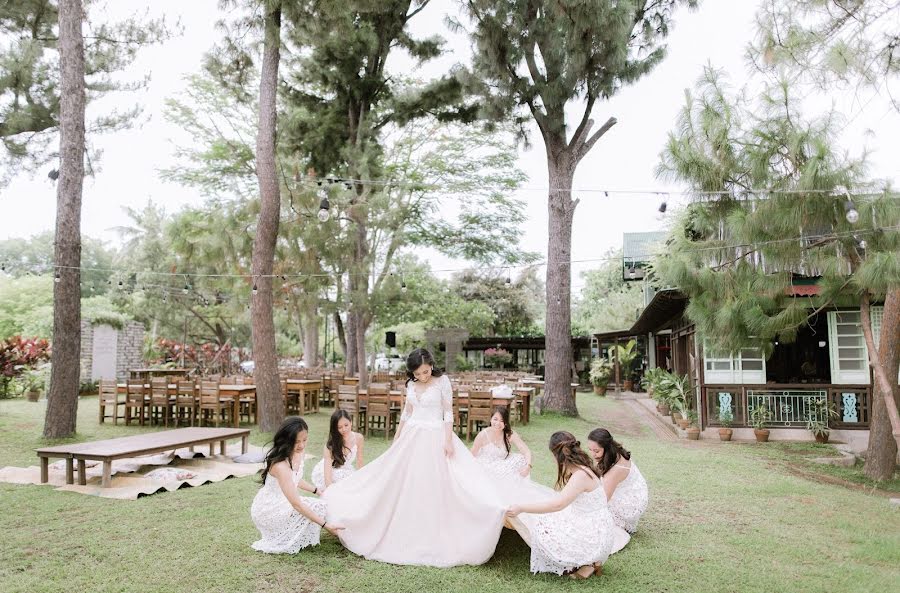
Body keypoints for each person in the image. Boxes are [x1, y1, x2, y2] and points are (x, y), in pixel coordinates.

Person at [323, 348, 506, 567]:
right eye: (417, 373)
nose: (422, 376)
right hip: (412, 435)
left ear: (431, 365)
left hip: (435, 435)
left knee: (438, 482)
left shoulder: (442, 381)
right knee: (398, 479)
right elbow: (407, 413)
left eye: (425, 371)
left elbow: (448, 413)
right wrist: (397, 438)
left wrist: (448, 440)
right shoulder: (410, 385)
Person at [506, 431, 616, 579]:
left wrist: (522, 508)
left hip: (594, 531)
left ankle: (588, 562)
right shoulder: (583, 466)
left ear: (557, 455)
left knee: (542, 526)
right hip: (596, 523)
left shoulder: (580, 475)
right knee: (550, 518)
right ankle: (588, 562)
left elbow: (557, 505)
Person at [250, 416, 344, 554]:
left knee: (320, 504)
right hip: (269, 508)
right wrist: (326, 526)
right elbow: (297, 504)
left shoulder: (297, 453)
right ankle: (284, 537)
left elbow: (296, 479)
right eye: (296, 441)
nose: (301, 445)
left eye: (304, 440)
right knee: (315, 506)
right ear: (287, 440)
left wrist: (317, 490)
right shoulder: (281, 466)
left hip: (283, 502)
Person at [587, 428, 648, 534]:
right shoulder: (613, 452)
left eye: (596, 451)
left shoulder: (616, 470)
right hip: (629, 489)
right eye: (590, 450)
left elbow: (602, 500)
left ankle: (621, 523)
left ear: (607, 448)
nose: (593, 454)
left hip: (630, 501)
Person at [471, 405, 532, 479]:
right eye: (495, 419)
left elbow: (526, 451)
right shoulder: (483, 435)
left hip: (501, 467)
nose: (498, 423)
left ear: (505, 423)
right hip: (485, 468)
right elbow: (471, 455)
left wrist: (528, 466)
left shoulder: (509, 434)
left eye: (502, 421)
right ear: (491, 419)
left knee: (522, 460)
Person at [310, 409, 364, 492]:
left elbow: (360, 462)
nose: (344, 429)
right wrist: (331, 491)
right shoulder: (330, 446)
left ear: (351, 422)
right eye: (340, 427)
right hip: (329, 470)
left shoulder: (358, 438)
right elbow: (328, 477)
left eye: (346, 425)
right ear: (335, 429)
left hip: (346, 469)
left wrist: (362, 481)